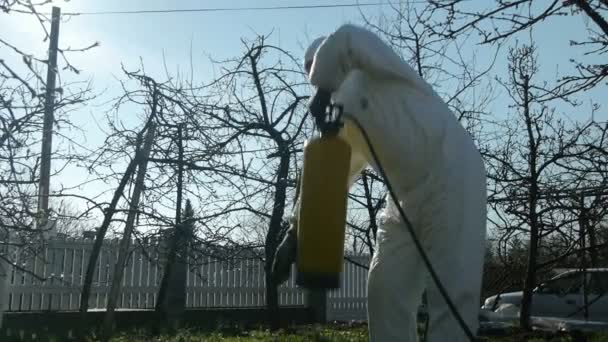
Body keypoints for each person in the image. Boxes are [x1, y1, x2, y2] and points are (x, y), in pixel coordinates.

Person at [272, 23, 487, 342]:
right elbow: (329, 182)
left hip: (451, 175)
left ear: (326, 59)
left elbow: (347, 37)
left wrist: (321, 87)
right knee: (385, 290)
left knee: (452, 297)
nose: (313, 78)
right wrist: (295, 230)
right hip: (403, 202)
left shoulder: (371, 65)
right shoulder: (343, 121)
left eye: (314, 68)